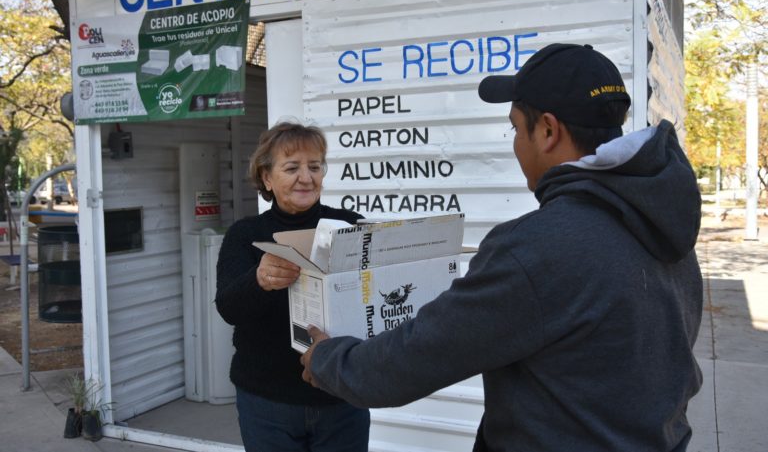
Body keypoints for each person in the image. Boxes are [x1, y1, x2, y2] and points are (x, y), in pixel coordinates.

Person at [300, 44, 703, 451]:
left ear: (547, 130)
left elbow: (410, 361)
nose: (515, 145)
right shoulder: (663, 223)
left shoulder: (538, 247)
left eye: (514, 128)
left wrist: (327, 359)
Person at [215, 121, 370, 452]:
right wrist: (259, 280)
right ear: (267, 177)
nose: (306, 177)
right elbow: (227, 307)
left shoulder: (349, 226)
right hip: (267, 402)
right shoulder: (244, 235)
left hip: (341, 396)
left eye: (314, 166)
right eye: (292, 167)